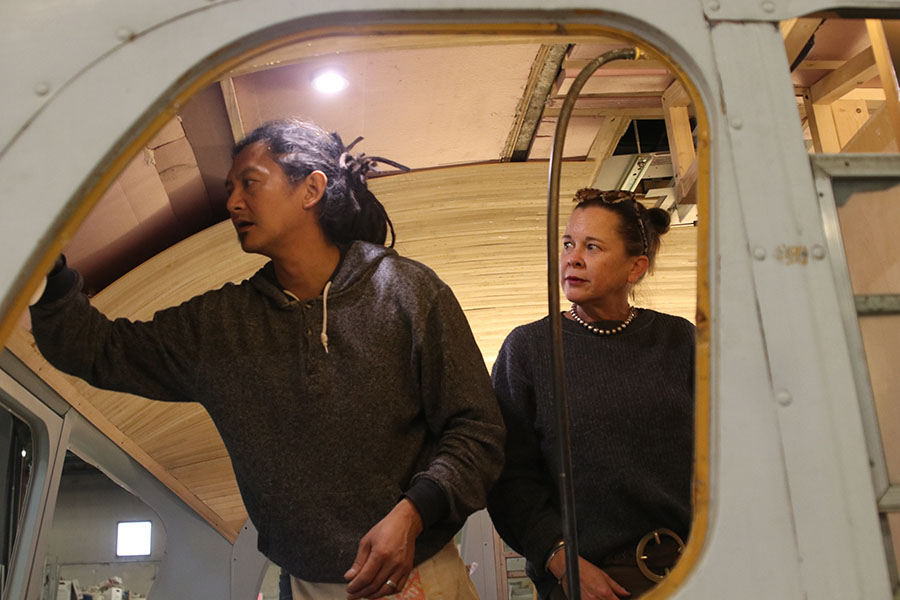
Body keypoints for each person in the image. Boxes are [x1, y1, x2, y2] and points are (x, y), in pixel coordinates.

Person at [30, 119, 505, 600]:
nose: (234, 202)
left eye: (251, 183)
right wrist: (45, 267)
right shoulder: (218, 327)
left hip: (421, 578)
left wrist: (413, 513)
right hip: (302, 587)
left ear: (311, 189)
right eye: (229, 189)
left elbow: (478, 430)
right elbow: (97, 349)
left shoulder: (407, 293)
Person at [487, 188, 694, 600]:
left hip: (694, 573)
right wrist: (562, 561)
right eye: (568, 243)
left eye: (592, 246)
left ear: (635, 268)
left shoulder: (680, 339)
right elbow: (509, 478)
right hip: (592, 583)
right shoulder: (528, 350)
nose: (572, 258)